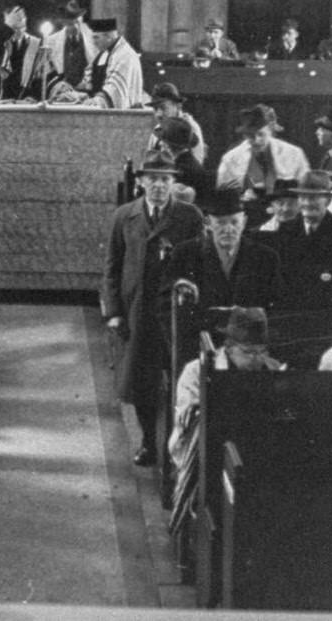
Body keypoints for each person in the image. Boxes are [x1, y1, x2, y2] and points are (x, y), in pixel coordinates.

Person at [101, 151, 206, 465]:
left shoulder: (189, 217)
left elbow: (200, 265)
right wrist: (114, 312)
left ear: (173, 183)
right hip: (137, 311)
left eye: (165, 179)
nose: (159, 185)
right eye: (153, 179)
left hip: (174, 313)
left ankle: (177, 447)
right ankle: (148, 440)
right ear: (141, 182)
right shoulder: (124, 216)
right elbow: (112, 267)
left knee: (176, 378)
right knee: (139, 381)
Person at [164, 189, 284, 352]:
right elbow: (166, 306)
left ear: (245, 222)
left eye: (234, 222)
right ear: (208, 223)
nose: (228, 229)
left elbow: (276, 307)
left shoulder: (266, 257)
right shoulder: (186, 254)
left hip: (249, 352)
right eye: (220, 222)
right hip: (198, 349)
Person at [167, 307, 284, 473]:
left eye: (261, 351)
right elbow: (191, 422)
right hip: (203, 455)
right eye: (248, 352)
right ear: (229, 348)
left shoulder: (273, 368)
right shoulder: (196, 372)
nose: (256, 359)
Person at [258, 171, 332, 309]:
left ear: (328, 200)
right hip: (292, 313)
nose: (307, 203)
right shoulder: (286, 229)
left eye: (314, 198)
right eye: (303, 197)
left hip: (329, 313)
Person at [215, 104, 310, 211]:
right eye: (250, 135)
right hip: (245, 212)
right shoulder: (231, 158)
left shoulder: (294, 153)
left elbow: (305, 188)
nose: (256, 140)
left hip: (286, 212)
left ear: (271, 131)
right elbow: (223, 195)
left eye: (261, 134)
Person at [75, 17, 144, 109]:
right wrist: (78, 95)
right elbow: (90, 82)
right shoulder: (102, 54)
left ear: (108, 37)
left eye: (96, 38)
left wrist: (96, 101)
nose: (94, 42)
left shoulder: (125, 55)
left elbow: (115, 90)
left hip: (123, 112)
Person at [0, 4, 41, 100]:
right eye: (15, 16)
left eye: (22, 16)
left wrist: (33, 96)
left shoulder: (35, 43)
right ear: (6, 19)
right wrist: (8, 26)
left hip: (24, 98)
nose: (20, 19)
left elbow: (38, 75)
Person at [148, 82, 207, 167]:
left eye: (163, 108)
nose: (158, 114)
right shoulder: (157, 130)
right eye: (155, 109)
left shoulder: (191, 129)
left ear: (178, 106)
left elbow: (196, 165)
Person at [43, 0, 95, 91]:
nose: (74, 26)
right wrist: (58, 85)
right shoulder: (52, 41)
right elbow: (47, 70)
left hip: (87, 91)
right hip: (61, 91)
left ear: (81, 20)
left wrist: (86, 83)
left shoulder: (93, 38)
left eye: (76, 22)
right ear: (64, 23)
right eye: (70, 24)